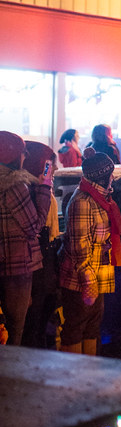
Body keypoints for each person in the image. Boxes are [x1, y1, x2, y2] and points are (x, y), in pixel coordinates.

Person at [59, 151, 121, 355]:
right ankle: (72, 377)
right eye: (110, 173)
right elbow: (80, 245)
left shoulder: (100, 198)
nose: (112, 177)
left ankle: (88, 375)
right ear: (102, 176)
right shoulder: (83, 201)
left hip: (97, 274)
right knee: (76, 326)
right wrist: (88, 281)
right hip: (82, 279)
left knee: (92, 327)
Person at [0, 131, 52, 344]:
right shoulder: (15, 186)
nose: (24, 157)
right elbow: (34, 225)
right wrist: (45, 187)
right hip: (17, 264)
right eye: (22, 153)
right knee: (15, 328)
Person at [21, 142, 61, 349]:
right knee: (33, 319)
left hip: (44, 261)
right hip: (35, 264)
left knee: (41, 317)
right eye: (49, 164)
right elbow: (38, 225)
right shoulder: (32, 191)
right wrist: (45, 182)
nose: (54, 169)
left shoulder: (41, 189)